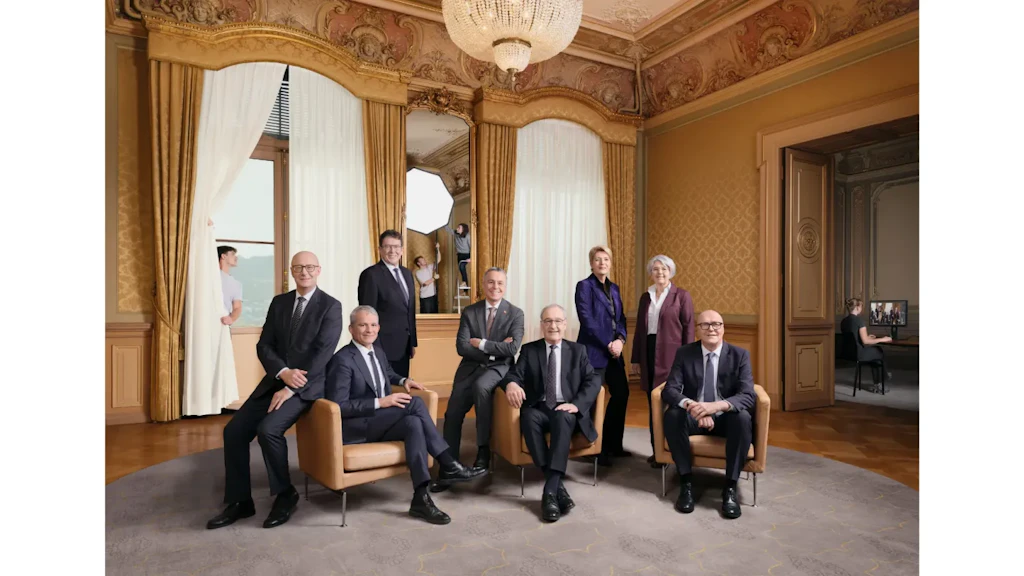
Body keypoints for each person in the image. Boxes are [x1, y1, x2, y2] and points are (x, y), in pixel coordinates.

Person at [206, 251, 343, 530]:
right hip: (275, 381)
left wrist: (291, 387)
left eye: (309, 267)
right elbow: (264, 345)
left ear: (318, 270)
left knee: (269, 430)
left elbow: (322, 355)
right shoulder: (279, 303)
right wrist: (283, 373)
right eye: (298, 268)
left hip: (307, 388)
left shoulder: (331, 306)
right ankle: (240, 501)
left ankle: (285, 494)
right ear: (291, 272)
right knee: (233, 432)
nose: (304, 272)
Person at [325, 306, 486, 524]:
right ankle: (448, 462)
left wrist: (403, 381)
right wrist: (380, 402)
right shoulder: (342, 359)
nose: (368, 330)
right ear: (351, 329)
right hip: (356, 427)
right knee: (415, 404)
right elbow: (339, 405)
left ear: (378, 328)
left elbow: (386, 373)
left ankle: (421, 497)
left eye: (373, 325)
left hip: (379, 422)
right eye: (362, 325)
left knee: (413, 423)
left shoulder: (378, 351)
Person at [498, 304, 602, 522]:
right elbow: (513, 375)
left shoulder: (577, 350)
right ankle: (557, 488)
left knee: (563, 417)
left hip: (566, 408)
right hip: (539, 407)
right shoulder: (530, 350)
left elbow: (594, 380)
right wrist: (511, 385)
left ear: (565, 324)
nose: (553, 325)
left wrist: (576, 405)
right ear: (541, 325)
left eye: (557, 321)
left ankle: (549, 493)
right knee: (527, 416)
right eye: (548, 321)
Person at [433, 267, 524, 490]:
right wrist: (496, 348)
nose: (495, 287)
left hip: (498, 368)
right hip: (470, 368)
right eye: (491, 282)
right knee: (452, 412)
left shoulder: (515, 313)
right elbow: (462, 347)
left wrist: (482, 344)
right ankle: (448, 465)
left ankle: (483, 450)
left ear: (505, 285)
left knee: (482, 388)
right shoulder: (470, 312)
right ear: (483, 285)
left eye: (500, 283)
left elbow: (512, 348)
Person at [661, 310, 756, 520]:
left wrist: (716, 407)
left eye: (716, 324)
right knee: (672, 415)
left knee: (742, 418)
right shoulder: (685, 353)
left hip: (725, 417)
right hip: (694, 414)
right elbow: (670, 389)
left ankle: (730, 487)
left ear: (723, 328)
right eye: (705, 324)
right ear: (698, 329)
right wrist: (693, 406)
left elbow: (748, 395)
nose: (711, 328)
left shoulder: (740, 355)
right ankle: (686, 482)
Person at [630, 255, 694, 468]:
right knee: (652, 402)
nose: (660, 273)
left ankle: (673, 449)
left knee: (670, 402)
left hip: (672, 355)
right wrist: (636, 358)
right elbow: (640, 330)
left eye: (664, 269)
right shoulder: (645, 297)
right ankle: (657, 451)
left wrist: (688, 359)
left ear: (671, 272)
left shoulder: (682, 296)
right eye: (656, 269)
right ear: (651, 272)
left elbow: (689, 329)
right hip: (648, 352)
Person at [575, 246, 628, 467]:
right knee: (593, 398)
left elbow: (621, 318)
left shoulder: (614, 288)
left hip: (614, 351)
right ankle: (591, 447)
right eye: (598, 259)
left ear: (610, 263)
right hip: (594, 351)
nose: (602, 263)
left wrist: (621, 340)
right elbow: (587, 320)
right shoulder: (584, 286)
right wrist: (608, 343)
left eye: (606, 259)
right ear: (591, 263)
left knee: (622, 394)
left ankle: (612, 445)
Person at [358, 230, 417, 378]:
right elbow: (366, 314)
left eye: (396, 246)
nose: (393, 251)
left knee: (401, 390)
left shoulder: (407, 274)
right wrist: (372, 346)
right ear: (380, 249)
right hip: (381, 346)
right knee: (385, 393)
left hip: (404, 346)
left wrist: (412, 343)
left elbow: (409, 310)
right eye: (388, 246)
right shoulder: (371, 275)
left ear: (402, 250)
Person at [840, 298, 892, 391]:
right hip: (859, 354)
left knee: (874, 356)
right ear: (857, 307)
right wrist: (882, 339)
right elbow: (865, 342)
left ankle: (880, 381)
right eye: (861, 306)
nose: (862, 308)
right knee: (878, 351)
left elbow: (854, 338)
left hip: (848, 353)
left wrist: (868, 337)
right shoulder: (859, 321)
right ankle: (883, 378)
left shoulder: (844, 321)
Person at [218, 245, 243, 326]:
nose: (236, 257)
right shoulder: (209, 277)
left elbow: (237, 307)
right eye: (232, 254)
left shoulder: (236, 284)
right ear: (223, 256)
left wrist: (231, 318)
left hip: (223, 324)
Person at [413, 249, 439, 314]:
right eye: (422, 260)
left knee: (435, 315)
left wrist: (438, 249)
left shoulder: (429, 267)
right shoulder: (418, 273)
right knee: (426, 316)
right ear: (418, 263)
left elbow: (438, 259)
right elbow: (424, 284)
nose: (424, 261)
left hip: (433, 296)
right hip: (425, 298)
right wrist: (434, 278)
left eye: (424, 259)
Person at [453, 223, 471, 288]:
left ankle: (464, 282)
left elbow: (472, 247)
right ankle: (465, 290)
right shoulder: (456, 234)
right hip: (459, 255)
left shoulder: (467, 236)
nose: (457, 228)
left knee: (462, 266)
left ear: (463, 229)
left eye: (459, 228)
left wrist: (471, 258)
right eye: (457, 227)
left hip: (467, 255)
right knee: (461, 269)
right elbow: (448, 229)